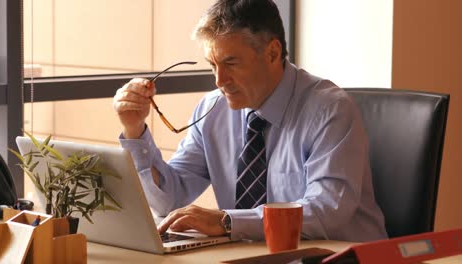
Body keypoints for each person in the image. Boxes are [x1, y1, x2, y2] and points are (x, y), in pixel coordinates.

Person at [113, 0, 387, 242]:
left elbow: (327, 211)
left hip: (339, 258)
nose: (219, 80)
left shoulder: (330, 110)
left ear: (272, 52)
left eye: (231, 63)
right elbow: (168, 200)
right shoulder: (213, 110)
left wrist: (227, 222)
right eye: (212, 64)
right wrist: (135, 130)